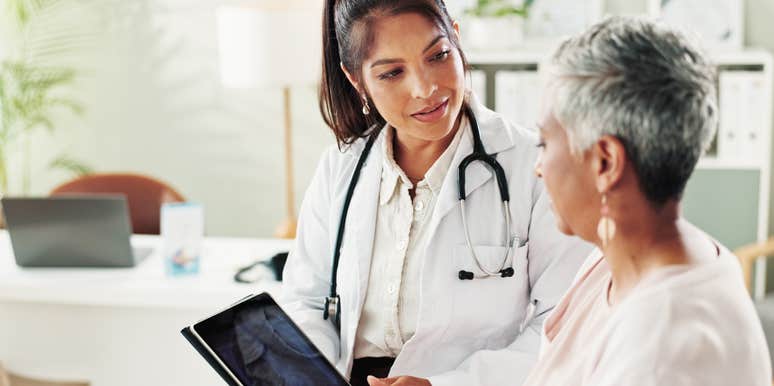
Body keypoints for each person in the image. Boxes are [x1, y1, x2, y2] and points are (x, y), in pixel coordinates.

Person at [281, 1, 592, 385]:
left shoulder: (534, 167)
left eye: (439, 55)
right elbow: (307, 301)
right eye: (393, 73)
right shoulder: (340, 168)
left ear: (457, 41)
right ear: (356, 80)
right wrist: (312, 377)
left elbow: (567, 320)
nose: (426, 88)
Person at [522, 16, 772, 386]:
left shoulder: (663, 356)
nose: (538, 168)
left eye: (544, 143)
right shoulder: (617, 257)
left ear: (605, 162)